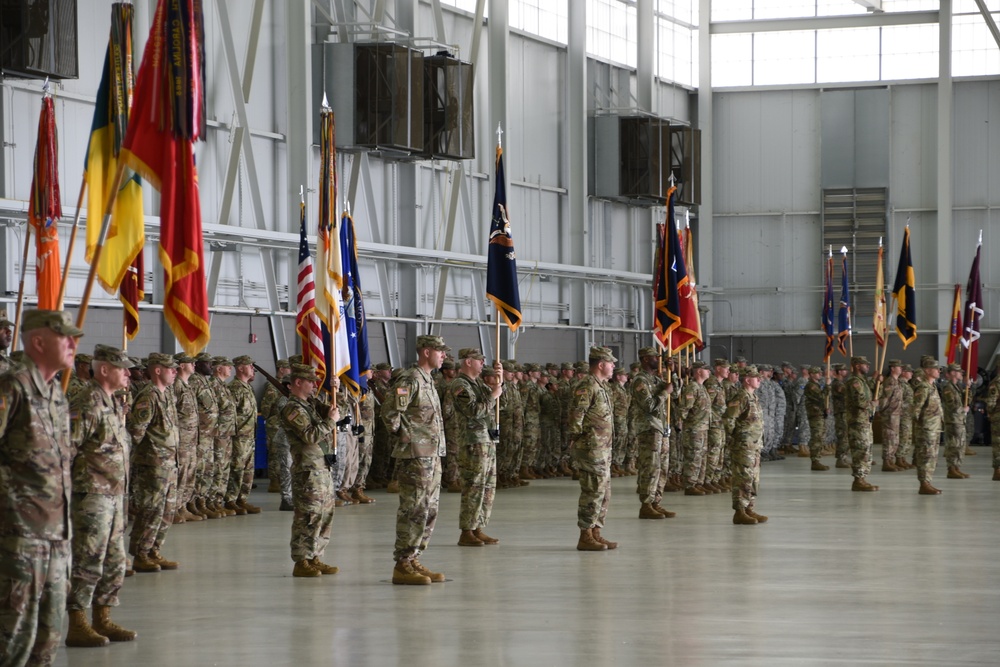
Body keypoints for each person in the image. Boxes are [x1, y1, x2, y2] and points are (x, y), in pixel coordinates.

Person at [0, 310, 81, 666]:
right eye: (64, 337)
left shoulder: (54, 394)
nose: (73, 344)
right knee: (12, 639)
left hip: (56, 535)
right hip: (19, 537)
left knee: (47, 638)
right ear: (37, 341)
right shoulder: (11, 386)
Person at [65, 344, 137, 648]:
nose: (129, 373)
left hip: (113, 494)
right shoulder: (88, 401)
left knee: (115, 560)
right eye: (122, 368)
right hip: (91, 494)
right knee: (88, 559)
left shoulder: (111, 401)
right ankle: (77, 622)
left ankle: (102, 617)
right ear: (104, 369)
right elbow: (67, 447)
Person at [382, 335, 449, 585]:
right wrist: (407, 437)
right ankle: (402, 563)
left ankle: (413, 557)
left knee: (429, 508)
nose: (443, 356)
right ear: (426, 351)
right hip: (416, 456)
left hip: (432, 455)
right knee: (413, 508)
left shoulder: (429, 380)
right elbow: (390, 413)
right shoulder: (410, 379)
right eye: (440, 351)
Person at [281, 364, 340, 577]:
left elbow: (333, 409)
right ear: (298, 383)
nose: (315, 385)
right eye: (311, 381)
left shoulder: (310, 405)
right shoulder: (292, 408)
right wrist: (329, 423)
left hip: (321, 467)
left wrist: (337, 389)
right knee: (307, 515)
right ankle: (301, 560)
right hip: (307, 470)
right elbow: (309, 436)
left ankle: (316, 556)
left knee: (325, 514)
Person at [127, 352, 181, 571]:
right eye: (170, 368)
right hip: (153, 464)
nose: (174, 372)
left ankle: (154, 550)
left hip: (169, 463)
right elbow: (136, 432)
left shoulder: (166, 394)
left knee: (167, 511)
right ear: (157, 370)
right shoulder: (148, 396)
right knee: (151, 510)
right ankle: (140, 553)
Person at [451, 348, 504, 546]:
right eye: (479, 360)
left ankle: (478, 527)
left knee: (487, 487)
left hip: (487, 439)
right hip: (473, 441)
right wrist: (493, 395)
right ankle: (467, 531)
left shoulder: (478, 384)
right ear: (467, 362)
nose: (483, 364)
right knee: (474, 486)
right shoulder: (460, 385)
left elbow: (500, 404)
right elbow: (473, 410)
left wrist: (499, 383)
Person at [567, 347, 619, 551]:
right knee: (592, 490)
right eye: (610, 362)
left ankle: (596, 531)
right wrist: (579, 439)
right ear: (600, 364)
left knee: (603, 492)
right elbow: (576, 416)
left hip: (602, 449)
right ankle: (585, 534)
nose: (613, 366)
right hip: (591, 448)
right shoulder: (587, 385)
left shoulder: (601, 386)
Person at [630, 347, 675, 520]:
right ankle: (646, 504)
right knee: (650, 467)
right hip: (649, 428)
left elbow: (675, 393)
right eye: (655, 357)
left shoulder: (655, 379)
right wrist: (665, 392)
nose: (659, 359)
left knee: (662, 467)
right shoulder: (640, 381)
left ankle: (656, 501)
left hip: (660, 427)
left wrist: (673, 374)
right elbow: (648, 405)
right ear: (646, 359)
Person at [725, 365, 768, 525]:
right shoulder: (741, 397)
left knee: (753, 478)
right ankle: (740, 511)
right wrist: (737, 438)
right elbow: (729, 419)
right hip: (744, 446)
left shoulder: (753, 397)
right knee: (742, 478)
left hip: (754, 445)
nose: (759, 380)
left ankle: (749, 508)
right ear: (747, 380)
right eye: (756, 377)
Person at [227, 355, 262, 514]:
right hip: (239, 436)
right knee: (237, 468)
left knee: (248, 470)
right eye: (250, 366)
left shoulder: (248, 387)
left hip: (249, 436)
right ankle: (231, 500)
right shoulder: (234, 388)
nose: (252, 369)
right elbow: (230, 414)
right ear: (240, 368)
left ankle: (242, 499)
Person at [188, 353, 221, 518]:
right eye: (208, 363)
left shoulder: (205, 382)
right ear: (199, 364)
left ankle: (202, 501)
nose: (211, 366)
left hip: (209, 435)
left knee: (207, 470)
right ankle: (192, 503)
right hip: (200, 435)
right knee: (199, 470)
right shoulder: (194, 382)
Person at [171, 353, 202, 523]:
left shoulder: (187, 386)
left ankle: (183, 506)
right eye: (191, 362)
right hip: (182, 439)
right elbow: (173, 413)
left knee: (189, 474)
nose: (194, 365)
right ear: (182, 366)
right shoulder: (176, 385)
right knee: (181, 474)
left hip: (191, 439)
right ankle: (174, 508)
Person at [844, 356, 878, 492]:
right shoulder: (854, 382)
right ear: (857, 366)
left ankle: (862, 478)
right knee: (860, 449)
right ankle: (858, 480)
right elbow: (860, 401)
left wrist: (876, 382)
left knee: (866, 450)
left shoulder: (863, 381)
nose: (868, 367)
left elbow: (873, 394)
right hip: (857, 421)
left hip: (865, 420)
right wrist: (872, 404)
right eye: (865, 364)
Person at [678, 360, 712, 494]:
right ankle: (690, 484)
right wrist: (685, 424)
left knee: (701, 457)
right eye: (706, 369)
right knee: (693, 456)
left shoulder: (702, 387)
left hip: (703, 428)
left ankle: (698, 482)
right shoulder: (692, 387)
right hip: (694, 429)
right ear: (698, 371)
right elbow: (684, 409)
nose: (709, 372)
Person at [913, 356, 944, 495]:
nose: (938, 371)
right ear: (927, 370)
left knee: (932, 456)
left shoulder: (933, 386)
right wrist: (921, 426)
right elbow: (916, 409)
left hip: (934, 427)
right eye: (935, 369)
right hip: (926, 428)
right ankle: (924, 483)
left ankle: (928, 481)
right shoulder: (923, 387)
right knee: (926, 455)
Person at [940, 363, 971, 479]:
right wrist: (962, 410)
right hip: (952, 420)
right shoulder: (948, 387)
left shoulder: (957, 386)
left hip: (959, 419)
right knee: (953, 445)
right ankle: (951, 469)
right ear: (952, 373)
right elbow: (951, 405)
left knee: (959, 445)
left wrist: (968, 388)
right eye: (958, 372)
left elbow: (967, 400)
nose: (961, 374)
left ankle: (957, 467)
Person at [878, 359, 904, 472]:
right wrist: (884, 411)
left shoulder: (897, 382)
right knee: (889, 438)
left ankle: (891, 460)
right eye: (898, 367)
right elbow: (884, 398)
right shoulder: (889, 382)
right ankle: (886, 461)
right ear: (892, 369)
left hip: (896, 414)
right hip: (890, 414)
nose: (901, 369)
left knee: (894, 439)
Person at [803, 366, 830, 471]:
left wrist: (825, 408)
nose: (820, 374)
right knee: (816, 437)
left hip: (819, 413)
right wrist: (827, 386)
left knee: (820, 436)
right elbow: (821, 397)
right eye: (817, 373)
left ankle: (817, 459)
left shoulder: (816, 385)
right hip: (815, 414)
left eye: (820, 372)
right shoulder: (811, 386)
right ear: (811, 374)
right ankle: (815, 460)